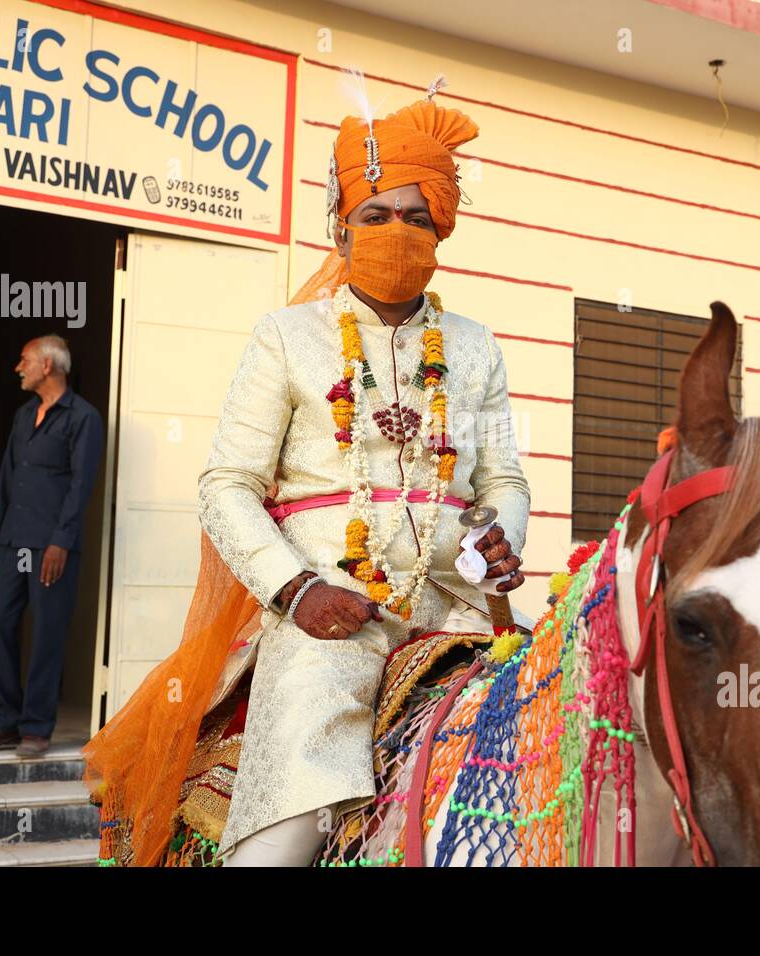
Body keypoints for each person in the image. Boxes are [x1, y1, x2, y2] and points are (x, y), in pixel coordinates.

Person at [83, 75, 532, 867]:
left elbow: (502, 483)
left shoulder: (476, 346)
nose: (398, 230)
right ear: (341, 228)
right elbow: (226, 486)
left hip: (460, 613)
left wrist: (498, 536)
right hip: (331, 616)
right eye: (377, 215)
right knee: (292, 826)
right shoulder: (286, 336)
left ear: (443, 229)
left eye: (417, 217)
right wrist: (296, 590)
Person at [0, 336, 103, 758]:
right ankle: (5, 722)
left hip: (51, 547)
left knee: (46, 634)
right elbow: (8, 478)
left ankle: (36, 728)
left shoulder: (83, 418)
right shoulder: (24, 415)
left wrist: (60, 542)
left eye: (24, 360)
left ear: (47, 365)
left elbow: (81, 486)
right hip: (11, 540)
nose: (18, 367)